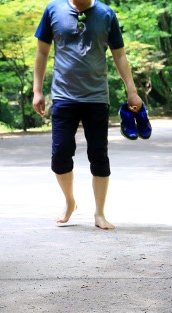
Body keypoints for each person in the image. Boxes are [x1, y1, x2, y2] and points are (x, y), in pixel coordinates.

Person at [32, 0, 144, 231]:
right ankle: (70, 201)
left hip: (96, 97)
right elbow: (42, 51)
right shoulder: (53, 10)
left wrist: (132, 92)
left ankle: (99, 213)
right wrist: (37, 90)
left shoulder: (105, 14)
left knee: (98, 155)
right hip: (63, 96)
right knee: (60, 153)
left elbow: (119, 55)